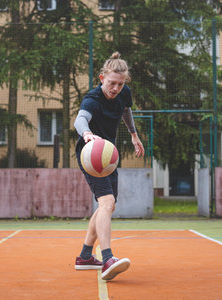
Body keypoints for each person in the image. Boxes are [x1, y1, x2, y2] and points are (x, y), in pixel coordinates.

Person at [73, 52, 145, 281]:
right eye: (111, 83)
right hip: (91, 154)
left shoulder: (124, 93)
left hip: (109, 154)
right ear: (102, 77)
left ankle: (85, 256)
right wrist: (87, 134)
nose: (115, 88)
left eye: (120, 84)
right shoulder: (93, 99)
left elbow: (126, 109)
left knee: (108, 205)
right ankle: (107, 259)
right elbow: (80, 119)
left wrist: (134, 135)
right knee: (107, 202)